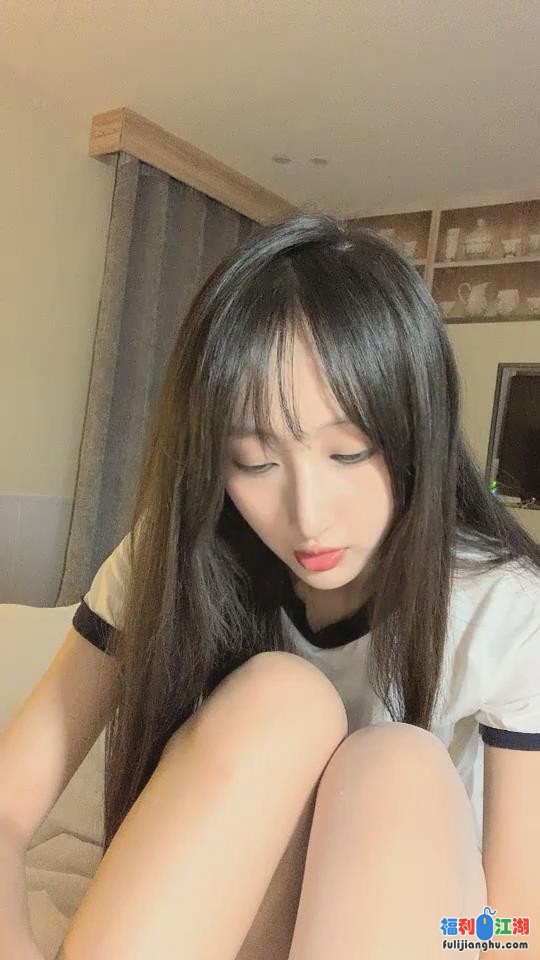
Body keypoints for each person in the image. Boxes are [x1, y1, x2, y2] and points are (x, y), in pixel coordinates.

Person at [5, 213, 540, 960]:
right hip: (237, 917)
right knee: (281, 699)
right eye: (255, 462)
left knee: (396, 766)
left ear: (419, 432)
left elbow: (519, 929)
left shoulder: (502, 608)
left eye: (349, 453)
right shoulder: (174, 557)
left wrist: (431, 935)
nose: (308, 517)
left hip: (405, 922)